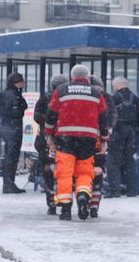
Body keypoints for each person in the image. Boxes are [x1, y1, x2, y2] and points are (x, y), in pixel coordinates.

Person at [44, 64, 110, 220]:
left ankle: (66, 209)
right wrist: (105, 139)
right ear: (87, 77)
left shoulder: (60, 91)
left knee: (64, 172)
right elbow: (104, 118)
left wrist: (49, 135)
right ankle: (82, 195)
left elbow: (51, 115)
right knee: (84, 171)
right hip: (88, 139)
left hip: (65, 138)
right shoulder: (95, 92)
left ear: (72, 76)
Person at [106, 76, 139, 197]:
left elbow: (108, 116)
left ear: (116, 87)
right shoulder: (136, 99)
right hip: (132, 134)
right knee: (129, 161)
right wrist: (136, 132)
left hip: (117, 134)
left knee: (112, 161)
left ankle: (114, 191)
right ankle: (132, 190)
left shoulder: (114, 99)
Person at [33, 72, 68, 213]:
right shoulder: (68, 98)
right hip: (64, 138)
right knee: (64, 169)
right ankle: (61, 196)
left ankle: (51, 198)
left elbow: (37, 116)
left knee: (48, 168)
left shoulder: (44, 98)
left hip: (46, 139)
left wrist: (47, 120)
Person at [88, 75, 117, 218]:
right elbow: (112, 118)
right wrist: (105, 134)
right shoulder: (107, 98)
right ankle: (94, 203)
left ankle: (83, 195)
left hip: (83, 141)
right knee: (98, 171)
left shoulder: (83, 96)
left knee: (82, 170)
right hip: (100, 141)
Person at [0, 71, 28, 194]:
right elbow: (19, 110)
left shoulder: (4, 93)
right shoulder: (15, 94)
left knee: (8, 155)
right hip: (14, 128)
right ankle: (9, 183)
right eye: (22, 81)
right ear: (17, 82)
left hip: (5, 127)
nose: (24, 83)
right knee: (12, 156)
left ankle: (7, 183)